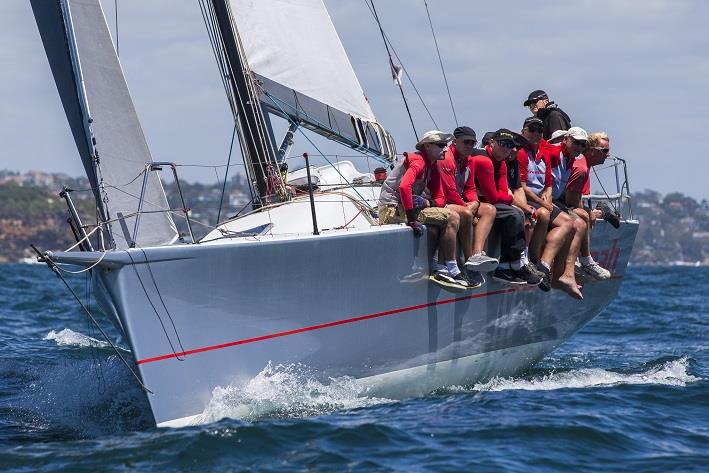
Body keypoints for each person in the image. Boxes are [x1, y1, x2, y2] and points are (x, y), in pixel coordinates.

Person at [378, 130, 467, 289]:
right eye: (440, 145)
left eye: (445, 146)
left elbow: (440, 198)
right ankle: (450, 268)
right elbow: (405, 187)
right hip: (391, 209)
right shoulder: (418, 161)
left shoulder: (432, 167)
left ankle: (440, 266)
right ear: (427, 146)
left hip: (405, 208)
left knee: (445, 216)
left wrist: (427, 202)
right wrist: (412, 220)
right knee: (452, 217)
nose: (445, 149)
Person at [518, 117, 582, 299]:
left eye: (539, 130)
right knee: (543, 215)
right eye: (532, 130)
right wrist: (542, 201)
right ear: (524, 131)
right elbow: (521, 186)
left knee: (571, 223)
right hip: (527, 200)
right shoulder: (524, 152)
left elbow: (548, 183)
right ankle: (532, 260)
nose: (536, 134)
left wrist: (547, 194)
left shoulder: (543, 154)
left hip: (540, 199)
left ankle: (544, 266)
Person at [474, 129, 541, 285]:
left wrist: (508, 198)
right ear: (491, 143)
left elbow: (502, 191)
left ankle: (515, 263)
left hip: (487, 199)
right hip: (474, 200)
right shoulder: (483, 159)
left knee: (519, 213)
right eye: (503, 143)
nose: (507, 148)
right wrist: (509, 198)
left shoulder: (502, 163)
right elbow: (494, 196)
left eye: (510, 145)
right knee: (514, 214)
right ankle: (510, 265)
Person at [437, 126, 499, 287]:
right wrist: (467, 206)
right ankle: (468, 259)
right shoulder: (446, 158)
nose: (470, 146)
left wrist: (475, 203)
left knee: (490, 210)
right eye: (466, 142)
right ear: (455, 142)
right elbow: (450, 191)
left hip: (459, 202)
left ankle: (476, 255)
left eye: (473, 143)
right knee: (465, 213)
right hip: (443, 201)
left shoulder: (469, 160)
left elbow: (470, 188)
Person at [548, 127, 610, 281]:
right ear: (592, 151)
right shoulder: (581, 168)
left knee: (585, 214)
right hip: (554, 201)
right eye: (604, 150)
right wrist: (590, 213)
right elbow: (571, 201)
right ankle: (585, 261)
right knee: (583, 216)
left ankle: (582, 261)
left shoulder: (583, 164)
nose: (608, 155)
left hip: (558, 200)